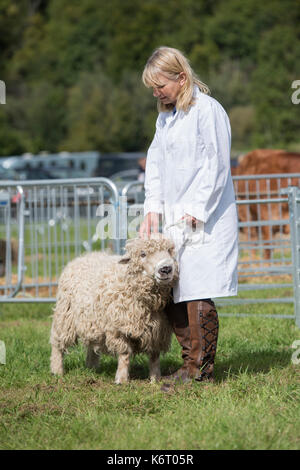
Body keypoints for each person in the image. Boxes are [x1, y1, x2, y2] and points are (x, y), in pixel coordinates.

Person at [139, 46, 238, 388]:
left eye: (160, 84)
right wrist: (152, 206)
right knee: (172, 287)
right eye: (152, 87)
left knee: (196, 289)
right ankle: (188, 364)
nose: (156, 92)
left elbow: (217, 164)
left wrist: (197, 209)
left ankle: (200, 372)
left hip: (203, 218)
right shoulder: (165, 118)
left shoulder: (207, 111)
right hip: (172, 219)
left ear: (181, 78)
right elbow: (155, 165)